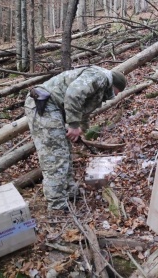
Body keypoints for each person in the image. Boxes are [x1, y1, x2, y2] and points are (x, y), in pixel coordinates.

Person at [24, 66, 127, 211]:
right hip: (44, 104)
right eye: (117, 92)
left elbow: (84, 109)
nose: (116, 95)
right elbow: (73, 95)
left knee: (65, 152)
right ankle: (57, 205)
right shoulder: (100, 77)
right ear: (115, 86)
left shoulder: (100, 86)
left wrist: (81, 130)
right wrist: (73, 125)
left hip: (55, 109)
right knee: (55, 156)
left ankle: (69, 192)